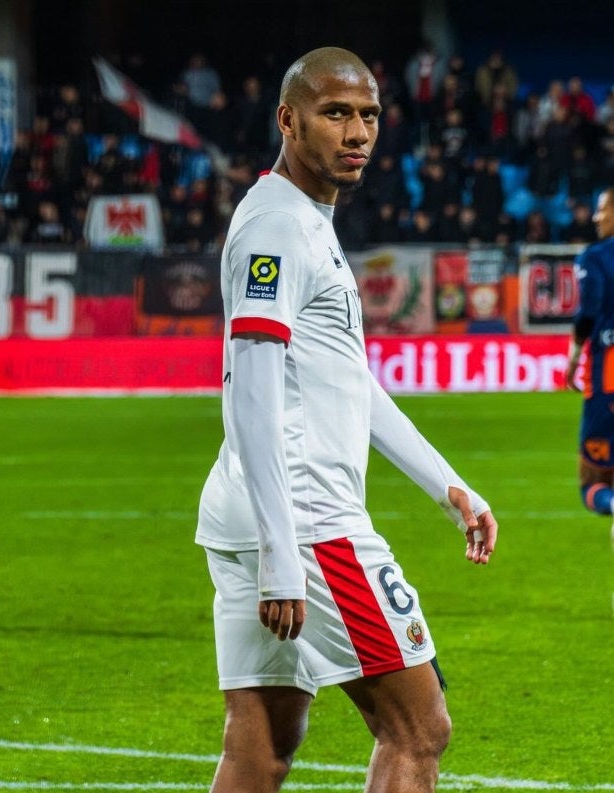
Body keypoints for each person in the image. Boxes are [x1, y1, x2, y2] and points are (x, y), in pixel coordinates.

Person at [195, 47, 498, 793]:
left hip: (253, 511)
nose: (356, 131)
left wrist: (445, 483)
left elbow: (347, 379)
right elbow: (253, 392)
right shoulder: (277, 229)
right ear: (288, 120)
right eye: (335, 114)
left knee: (260, 744)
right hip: (307, 521)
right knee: (419, 727)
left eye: (367, 115)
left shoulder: (300, 218)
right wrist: (281, 551)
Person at [566, 188, 614, 531]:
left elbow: (589, 310)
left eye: (602, 209)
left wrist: (574, 353)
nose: (597, 217)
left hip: (607, 381)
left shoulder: (595, 257)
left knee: (592, 483)